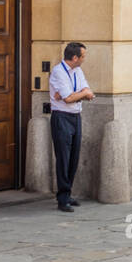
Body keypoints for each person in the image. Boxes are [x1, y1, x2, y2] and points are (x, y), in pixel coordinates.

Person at [48, 42, 93, 212]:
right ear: (75, 57)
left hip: (75, 116)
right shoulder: (58, 72)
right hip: (61, 118)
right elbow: (67, 98)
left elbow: (85, 89)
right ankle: (62, 198)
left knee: (73, 156)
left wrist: (77, 95)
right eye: (83, 56)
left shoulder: (77, 71)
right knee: (64, 158)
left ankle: (68, 193)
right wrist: (81, 95)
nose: (84, 59)